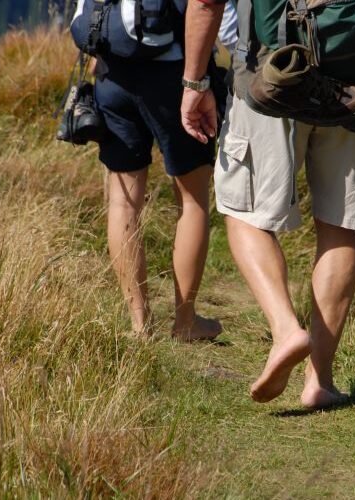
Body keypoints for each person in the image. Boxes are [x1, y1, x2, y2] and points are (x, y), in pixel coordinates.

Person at [182, 0, 355, 408]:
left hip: (271, 76)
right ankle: (319, 381)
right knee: (340, 226)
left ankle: (285, 330)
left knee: (244, 215)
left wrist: (194, 85)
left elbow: (206, 3)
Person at [93, 0, 222, 340]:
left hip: (112, 70)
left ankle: (140, 324)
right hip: (175, 75)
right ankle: (186, 322)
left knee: (123, 202)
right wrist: (197, 82)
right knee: (192, 198)